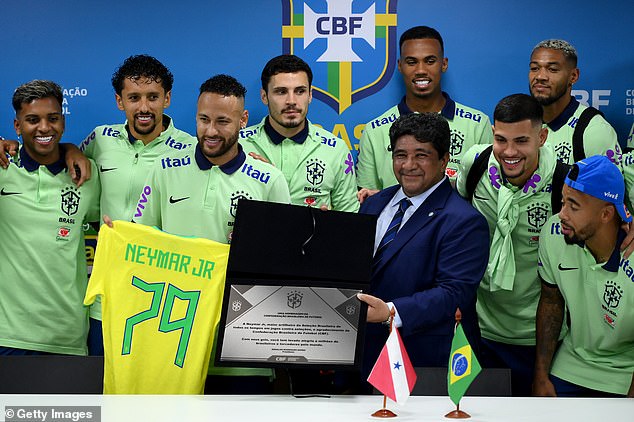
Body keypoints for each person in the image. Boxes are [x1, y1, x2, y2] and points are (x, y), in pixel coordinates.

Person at [133, 74, 290, 393]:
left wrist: (253, 250)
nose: (211, 131)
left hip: (243, 347)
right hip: (175, 340)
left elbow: (284, 264)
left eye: (222, 121)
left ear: (243, 119)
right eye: (203, 119)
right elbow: (141, 241)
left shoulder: (269, 180)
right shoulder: (164, 170)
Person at [357, 112, 489, 380]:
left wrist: (391, 312)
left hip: (423, 359)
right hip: (365, 353)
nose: (409, 165)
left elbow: (453, 293)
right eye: (400, 155)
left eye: (421, 155)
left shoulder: (465, 220)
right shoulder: (373, 204)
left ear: (444, 160)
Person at [78, 55, 196, 354]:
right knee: (103, 386)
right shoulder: (100, 138)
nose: (144, 108)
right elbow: (64, 160)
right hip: (107, 294)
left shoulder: (192, 149)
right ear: (120, 101)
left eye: (153, 97)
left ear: (166, 98)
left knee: (153, 391)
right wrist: (68, 150)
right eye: (134, 98)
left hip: (161, 296)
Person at [456, 93, 564, 396]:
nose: (509, 152)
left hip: (538, 340)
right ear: (492, 133)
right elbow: (452, 214)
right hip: (480, 331)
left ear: (541, 137)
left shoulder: (563, 182)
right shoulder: (475, 164)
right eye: (501, 140)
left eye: (521, 141)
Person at [0, 80, 100, 355]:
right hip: (8, 337)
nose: (44, 127)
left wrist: (71, 149)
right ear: (17, 126)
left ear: (63, 122)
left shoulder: (87, 176)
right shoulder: (4, 169)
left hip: (68, 336)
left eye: (52, 118)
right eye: (33, 120)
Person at [534, 155, 634, 397]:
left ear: (606, 214)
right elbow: (551, 302)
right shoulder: (554, 233)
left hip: (626, 371)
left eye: (574, 206)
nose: (562, 214)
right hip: (572, 363)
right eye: (563, 201)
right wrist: (540, 375)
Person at [356, 25, 493, 193]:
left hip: (459, 219)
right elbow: (368, 201)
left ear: (444, 64)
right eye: (412, 62)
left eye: (430, 61)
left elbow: (487, 194)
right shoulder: (374, 131)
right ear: (400, 66)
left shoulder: (478, 125)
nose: (421, 70)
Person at [240, 54, 359, 212]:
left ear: (310, 95)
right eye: (281, 92)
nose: (291, 101)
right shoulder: (239, 145)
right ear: (264, 96)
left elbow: (350, 222)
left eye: (300, 91)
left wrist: (328, 225)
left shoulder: (336, 150)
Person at [528, 39, 622, 166]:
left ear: (573, 76)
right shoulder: (521, 121)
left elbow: (609, 185)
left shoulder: (594, 130)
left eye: (552, 69)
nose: (540, 76)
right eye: (535, 68)